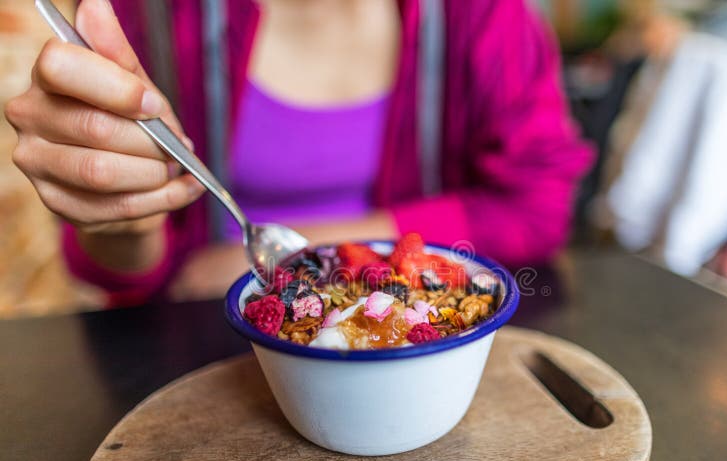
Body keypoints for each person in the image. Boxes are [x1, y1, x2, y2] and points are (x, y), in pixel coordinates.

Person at [5, 0, 593, 306]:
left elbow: (536, 210)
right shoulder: (154, 18)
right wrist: (123, 213)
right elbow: (135, 275)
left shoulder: (482, 16)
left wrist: (307, 253)